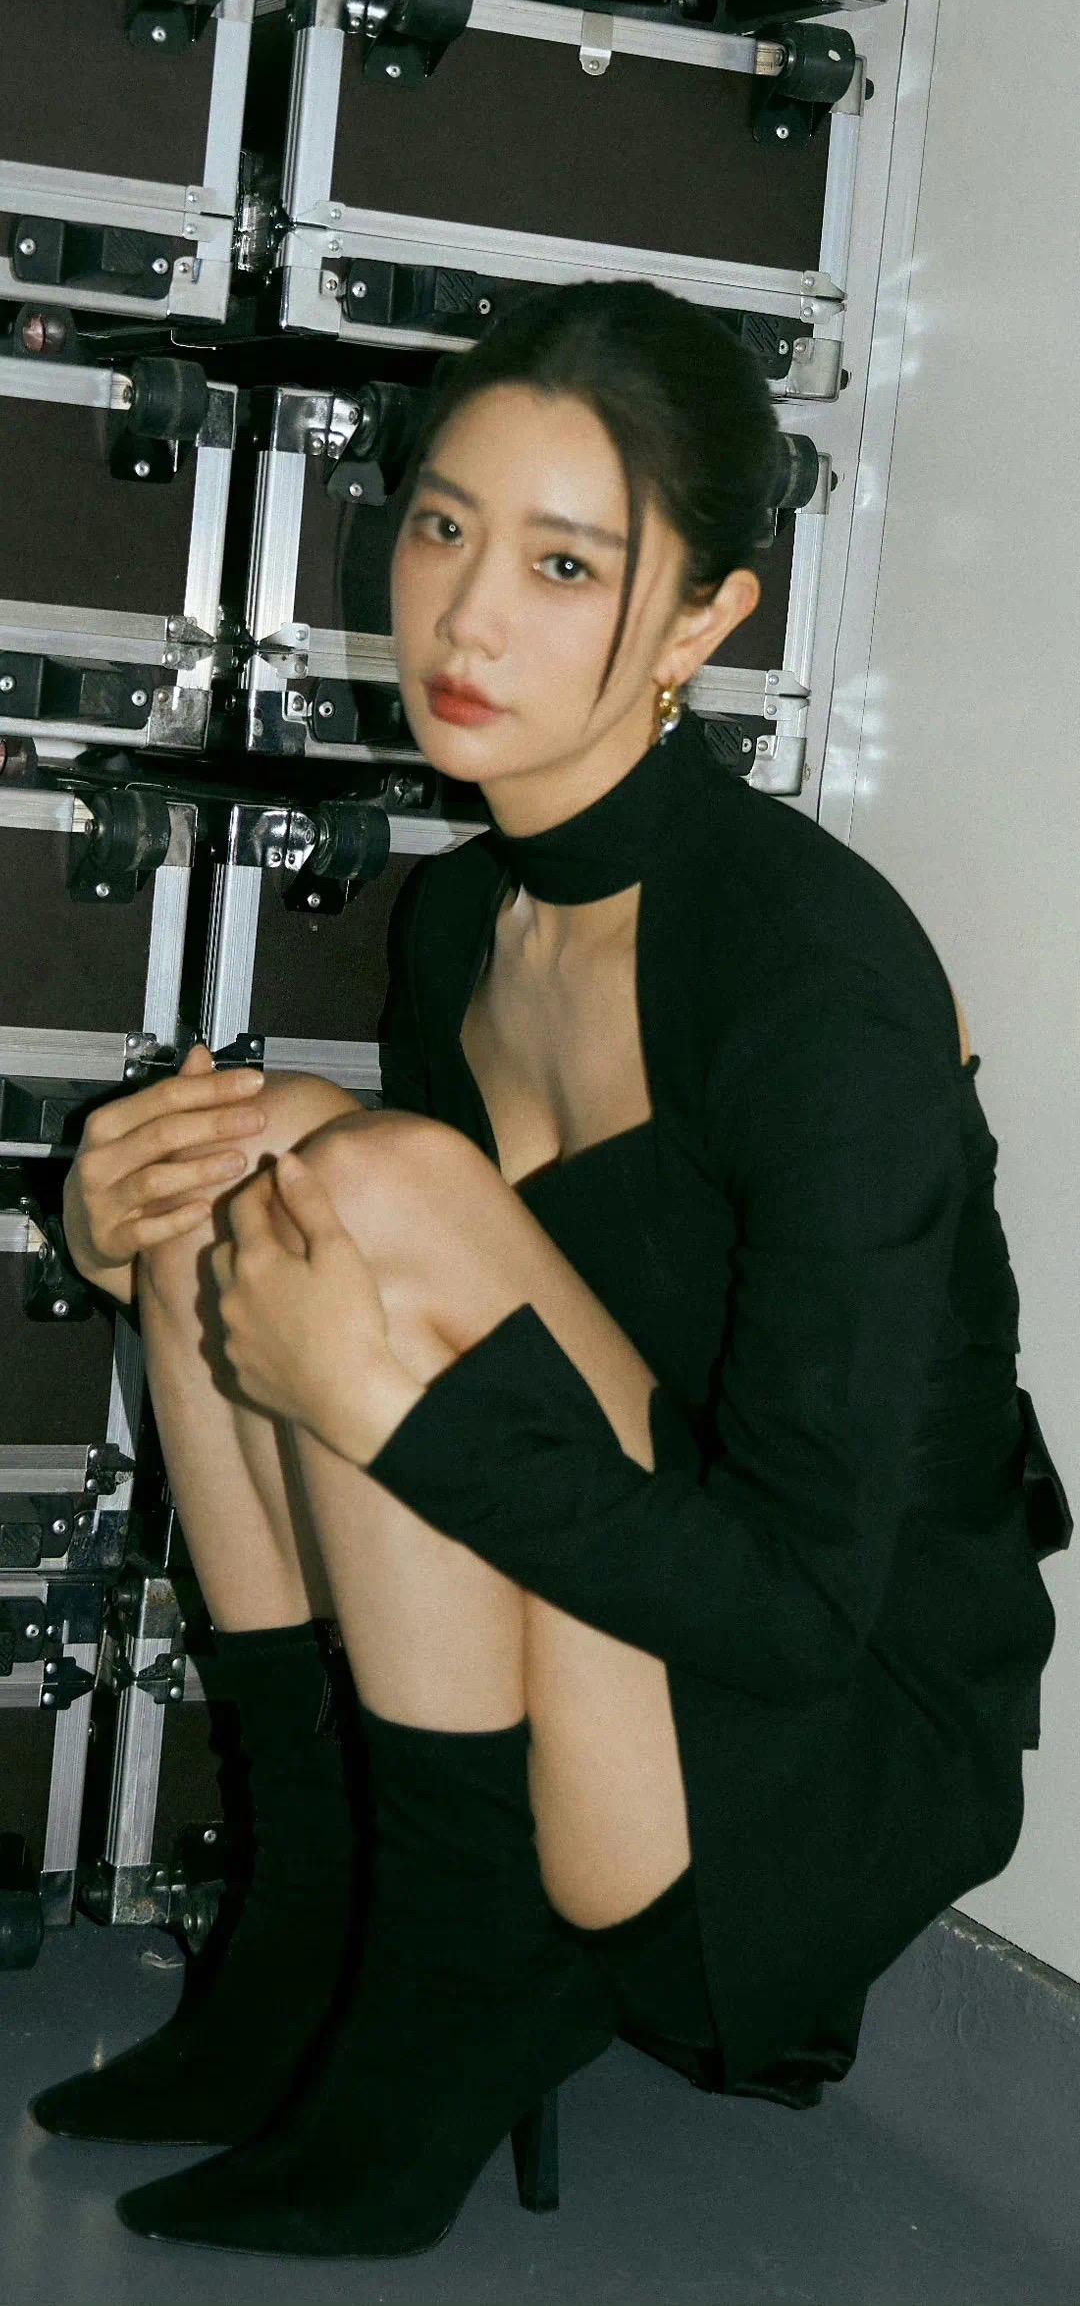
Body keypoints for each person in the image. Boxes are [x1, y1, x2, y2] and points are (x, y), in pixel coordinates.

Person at [31, 280, 1063, 2260]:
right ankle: (316, 1919)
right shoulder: (462, 925)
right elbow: (460, 1396)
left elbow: (797, 1611)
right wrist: (116, 1235)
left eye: (566, 563)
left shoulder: (819, 986)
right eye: (443, 525)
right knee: (236, 1176)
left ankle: (458, 1974)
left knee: (366, 1178)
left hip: (824, 1727)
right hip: (612, 1626)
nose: (466, 614)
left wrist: (380, 1401)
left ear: (701, 624)